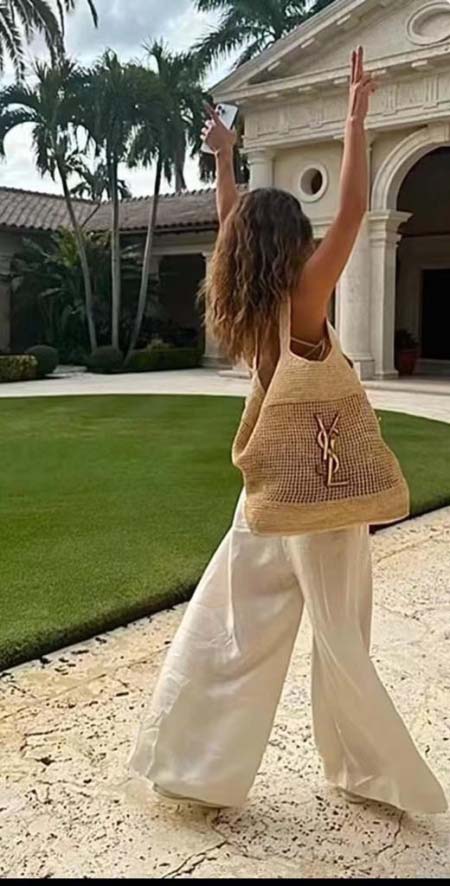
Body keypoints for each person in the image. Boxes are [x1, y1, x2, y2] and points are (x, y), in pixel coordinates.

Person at [130, 48, 447, 814]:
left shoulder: (245, 307)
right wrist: (357, 117)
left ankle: (191, 765)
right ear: (291, 242)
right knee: (341, 639)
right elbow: (353, 211)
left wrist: (227, 159)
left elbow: (229, 222)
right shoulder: (305, 297)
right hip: (327, 500)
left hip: (269, 495)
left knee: (229, 625)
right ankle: (370, 773)